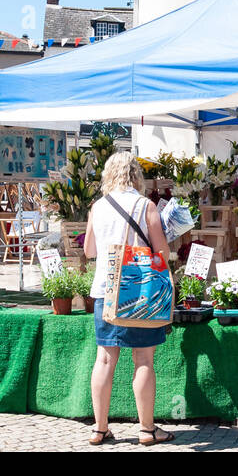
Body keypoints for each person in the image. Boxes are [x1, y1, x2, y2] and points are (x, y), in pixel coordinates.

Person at [84, 152, 174, 447]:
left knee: (105, 358)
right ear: (137, 175)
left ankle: (99, 428)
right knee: (144, 359)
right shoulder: (145, 205)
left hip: (105, 290)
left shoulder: (98, 206)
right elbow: (162, 254)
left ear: (109, 175)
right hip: (140, 290)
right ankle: (147, 430)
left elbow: (89, 251)